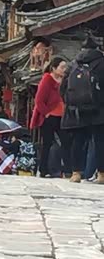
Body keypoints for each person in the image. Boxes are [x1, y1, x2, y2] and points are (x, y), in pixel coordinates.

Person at [61, 36, 104, 184]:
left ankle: (76, 173)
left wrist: (70, 104)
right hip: (99, 110)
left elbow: (63, 88)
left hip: (77, 111)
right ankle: (101, 174)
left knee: (77, 141)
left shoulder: (73, 64)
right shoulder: (102, 63)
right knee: (100, 142)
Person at [30, 56, 69, 178]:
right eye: (62, 67)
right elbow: (39, 100)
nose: (64, 70)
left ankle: (68, 169)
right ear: (53, 68)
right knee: (47, 143)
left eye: (65, 67)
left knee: (66, 141)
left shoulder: (64, 81)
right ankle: (43, 169)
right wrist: (46, 113)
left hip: (61, 116)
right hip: (49, 117)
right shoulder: (47, 80)